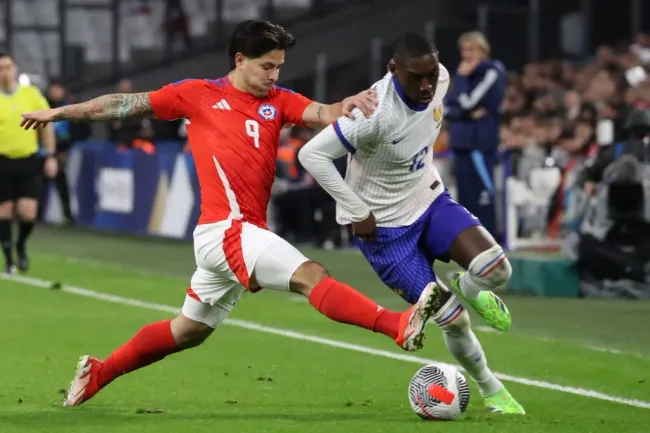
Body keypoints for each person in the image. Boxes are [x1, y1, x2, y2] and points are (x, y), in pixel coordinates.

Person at [21, 20, 441, 407]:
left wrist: (344, 105)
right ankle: (396, 325)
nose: (274, 75)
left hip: (239, 234)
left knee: (188, 331)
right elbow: (125, 104)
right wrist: (59, 113)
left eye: (279, 66)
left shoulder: (278, 101)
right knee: (310, 274)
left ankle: (99, 372)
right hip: (227, 229)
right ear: (240, 60)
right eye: (266, 66)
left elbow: (322, 114)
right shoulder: (199, 94)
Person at [298, 33, 524, 414]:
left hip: (427, 198)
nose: (426, 85)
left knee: (497, 270)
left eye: (431, 75)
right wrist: (357, 211)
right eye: (416, 76)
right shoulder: (372, 114)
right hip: (385, 231)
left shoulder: (443, 79)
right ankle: (491, 388)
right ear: (393, 70)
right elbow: (312, 155)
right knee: (454, 320)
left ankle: (467, 285)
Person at [444, 32, 506, 239]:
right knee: (466, 202)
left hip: (479, 145)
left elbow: (468, 102)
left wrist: (461, 81)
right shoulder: (466, 76)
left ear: (483, 50)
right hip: (461, 145)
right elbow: (446, 110)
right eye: (464, 50)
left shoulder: (492, 71)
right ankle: (472, 248)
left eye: (472, 49)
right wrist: (465, 112)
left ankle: (491, 243)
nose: (467, 55)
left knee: (483, 197)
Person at [0, 52, 57, 274]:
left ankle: (21, 245)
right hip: (2, 160)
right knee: (4, 210)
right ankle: (8, 260)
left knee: (28, 212)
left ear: (15, 68)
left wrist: (50, 155)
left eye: (8, 67)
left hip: (28, 158)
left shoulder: (30, 94)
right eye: (1, 68)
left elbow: (47, 124)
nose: (5, 72)